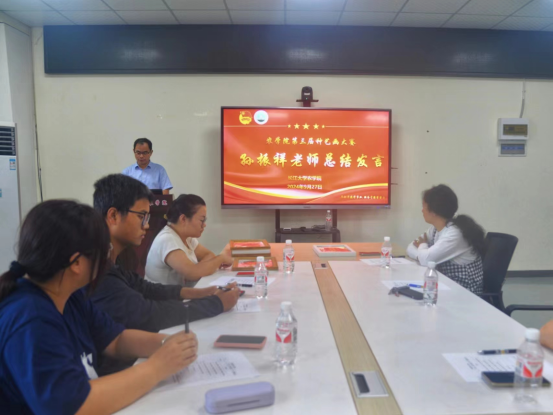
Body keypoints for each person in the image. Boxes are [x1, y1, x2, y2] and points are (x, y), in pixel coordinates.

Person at [0, 200, 198, 415]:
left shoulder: (68, 295)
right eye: (104, 252)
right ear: (76, 263)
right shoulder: (30, 319)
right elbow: (75, 406)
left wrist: (166, 343)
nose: (106, 260)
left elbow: (115, 340)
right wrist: (157, 368)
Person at [90, 174, 239, 335]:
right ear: (113, 216)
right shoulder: (96, 269)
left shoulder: (112, 261)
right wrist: (216, 303)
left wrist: (203, 292)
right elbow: (149, 313)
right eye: (141, 216)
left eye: (147, 217)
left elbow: (146, 288)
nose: (147, 226)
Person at [406, 184, 486, 294]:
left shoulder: (456, 233)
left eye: (424, 206)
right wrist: (422, 254)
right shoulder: (435, 228)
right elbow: (410, 247)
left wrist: (423, 246)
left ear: (434, 212)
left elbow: (426, 260)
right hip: (446, 285)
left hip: (465, 292)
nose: (422, 210)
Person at [146, 194, 233, 287]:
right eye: (202, 220)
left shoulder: (187, 238)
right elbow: (193, 273)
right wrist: (221, 258)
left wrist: (199, 269)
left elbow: (209, 255)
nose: (204, 225)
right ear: (183, 219)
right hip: (163, 296)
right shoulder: (167, 239)